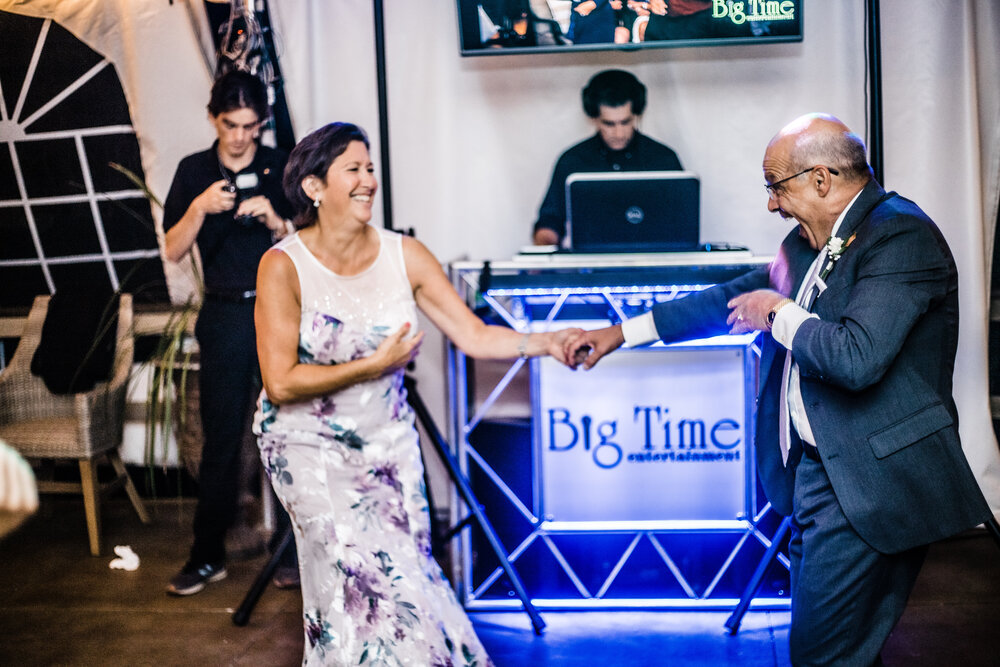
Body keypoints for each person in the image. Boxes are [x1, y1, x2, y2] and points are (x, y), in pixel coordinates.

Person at [564, 113, 995, 665]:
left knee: (822, 655)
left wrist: (777, 313)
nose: (771, 204)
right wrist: (621, 333)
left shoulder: (901, 236)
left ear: (821, 180)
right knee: (841, 651)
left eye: (775, 186)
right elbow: (728, 298)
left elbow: (856, 358)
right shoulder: (808, 242)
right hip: (817, 475)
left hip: (870, 482)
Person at [252, 122, 580, 665]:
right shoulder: (283, 266)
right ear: (314, 187)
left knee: (408, 576)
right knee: (349, 577)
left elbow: (474, 336)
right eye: (353, 169)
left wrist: (548, 341)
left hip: (386, 445)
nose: (368, 180)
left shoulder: (405, 256)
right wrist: (373, 366)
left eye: (370, 168)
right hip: (307, 445)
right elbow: (281, 382)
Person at [162, 69, 298, 596]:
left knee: (288, 430)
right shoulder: (194, 170)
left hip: (277, 310)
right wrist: (200, 206)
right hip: (222, 312)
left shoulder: (281, 164)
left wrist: (277, 221)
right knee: (221, 437)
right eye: (230, 124)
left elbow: (311, 243)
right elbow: (172, 250)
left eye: (250, 126)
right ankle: (206, 556)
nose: (240, 136)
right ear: (212, 119)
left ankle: (290, 551)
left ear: (262, 122)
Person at [532, 69, 683, 246]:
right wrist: (545, 246)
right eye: (609, 124)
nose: (619, 133)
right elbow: (550, 221)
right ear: (594, 117)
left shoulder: (663, 159)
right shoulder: (573, 161)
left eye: (626, 122)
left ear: (636, 114)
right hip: (590, 261)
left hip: (653, 260)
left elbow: (682, 220)